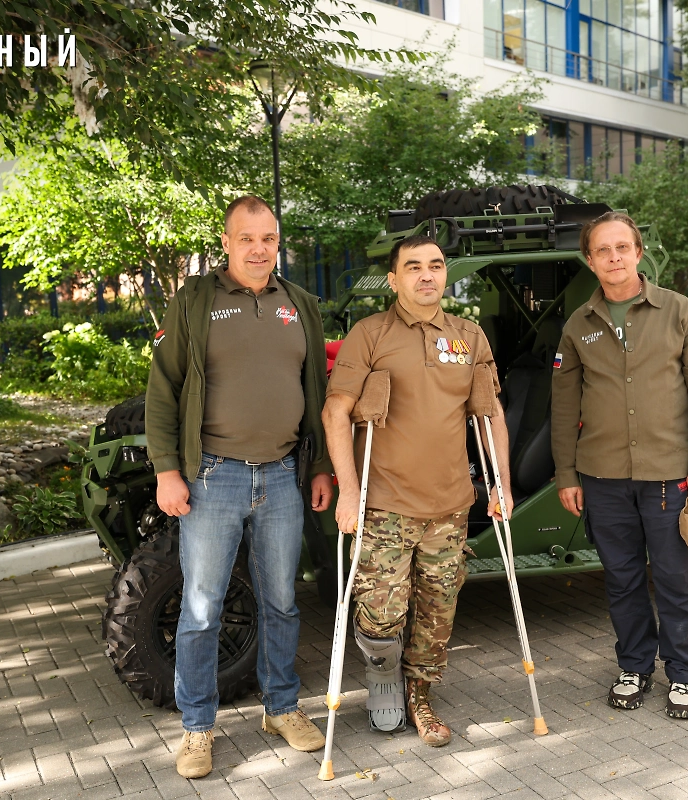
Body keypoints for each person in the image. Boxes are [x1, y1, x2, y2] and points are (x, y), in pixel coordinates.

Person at [146, 195, 334, 779]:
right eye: (247, 238)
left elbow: (319, 393)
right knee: (201, 608)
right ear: (226, 242)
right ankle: (197, 728)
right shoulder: (196, 301)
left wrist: (322, 465)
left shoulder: (299, 303)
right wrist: (166, 470)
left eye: (269, 238)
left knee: (281, 601)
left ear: (279, 243)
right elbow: (165, 387)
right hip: (212, 478)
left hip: (281, 477)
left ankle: (281, 708)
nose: (259, 249)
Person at [322, 234, 511, 746]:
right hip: (383, 504)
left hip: (449, 508)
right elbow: (335, 411)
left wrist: (502, 485)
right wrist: (347, 491)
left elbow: (490, 415)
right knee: (382, 613)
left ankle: (420, 696)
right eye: (413, 267)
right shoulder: (370, 334)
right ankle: (383, 671)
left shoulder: (469, 336)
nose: (426, 275)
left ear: (445, 274)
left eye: (435, 265)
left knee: (436, 614)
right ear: (394, 279)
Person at [551, 211, 688, 720]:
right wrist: (566, 474)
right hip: (602, 478)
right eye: (602, 250)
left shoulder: (679, 312)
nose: (614, 258)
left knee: (674, 577)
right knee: (622, 579)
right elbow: (564, 406)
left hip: (669, 476)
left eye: (622, 247)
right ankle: (634, 666)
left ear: (639, 252)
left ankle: (685, 675)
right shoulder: (579, 325)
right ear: (589, 260)